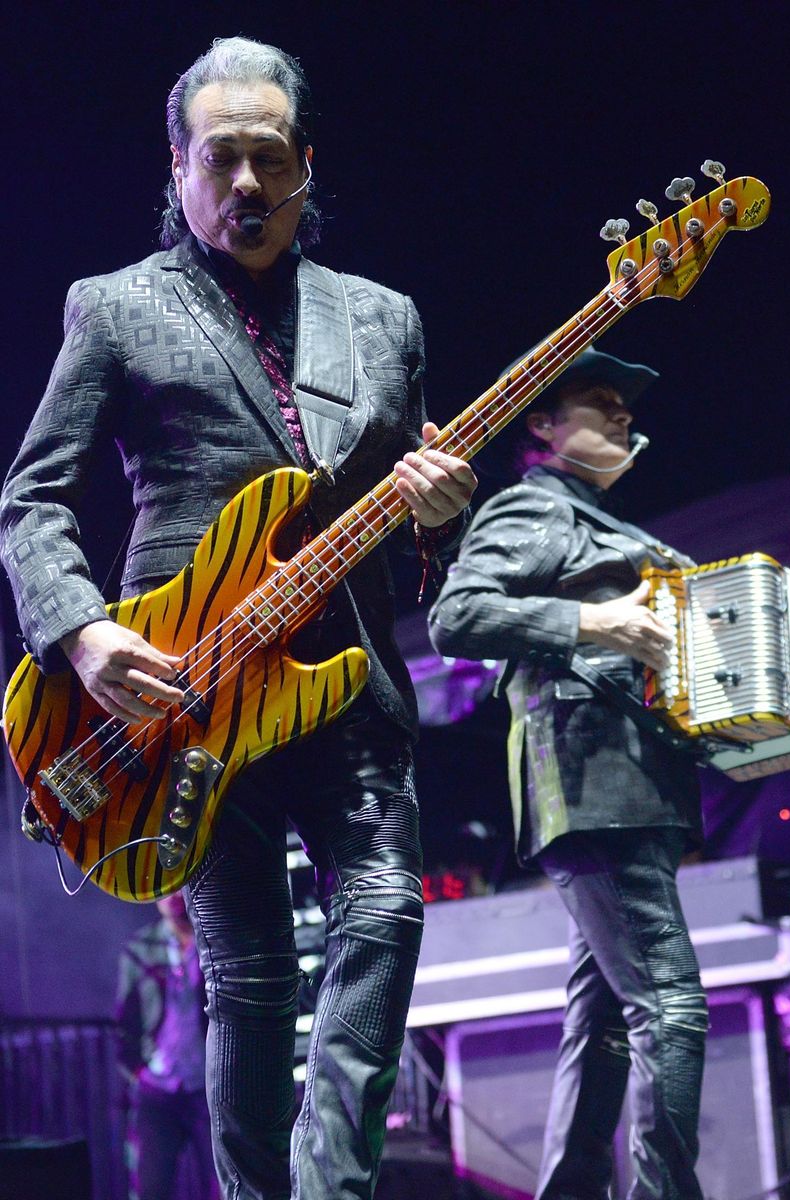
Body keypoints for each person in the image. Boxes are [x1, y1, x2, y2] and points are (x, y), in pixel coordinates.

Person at [0, 38, 476, 1199]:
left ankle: (331, 1188)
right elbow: (32, 501)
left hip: (346, 671)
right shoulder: (116, 307)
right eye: (221, 158)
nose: (247, 182)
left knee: (386, 918)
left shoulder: (383, 321)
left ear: (308, 165)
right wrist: (83, 634)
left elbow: (420, 548)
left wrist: (441, 516)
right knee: (251, 976)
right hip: (186, 689)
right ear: (179, 167)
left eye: (270, 157)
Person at [428, 348, 708, 1199]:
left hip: (636, 788)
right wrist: (593, 623)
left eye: (625, 404)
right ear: (542, 426)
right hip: (593, 787)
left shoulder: (602, 522)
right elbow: (456, 615)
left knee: (604, 1024)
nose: (622, 413)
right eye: (598, 400)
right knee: (672, 1007)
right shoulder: (534, 507)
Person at [116, 893, 218, 1200]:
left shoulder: (214, 942)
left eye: (177, 887)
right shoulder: (140, 949)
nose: (171, 896)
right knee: (151, 1188)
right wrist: (138, 1073)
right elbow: (124, 1022)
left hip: (208, 1087)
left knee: (223, 1184)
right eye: (163, 889)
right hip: (158, 1089)